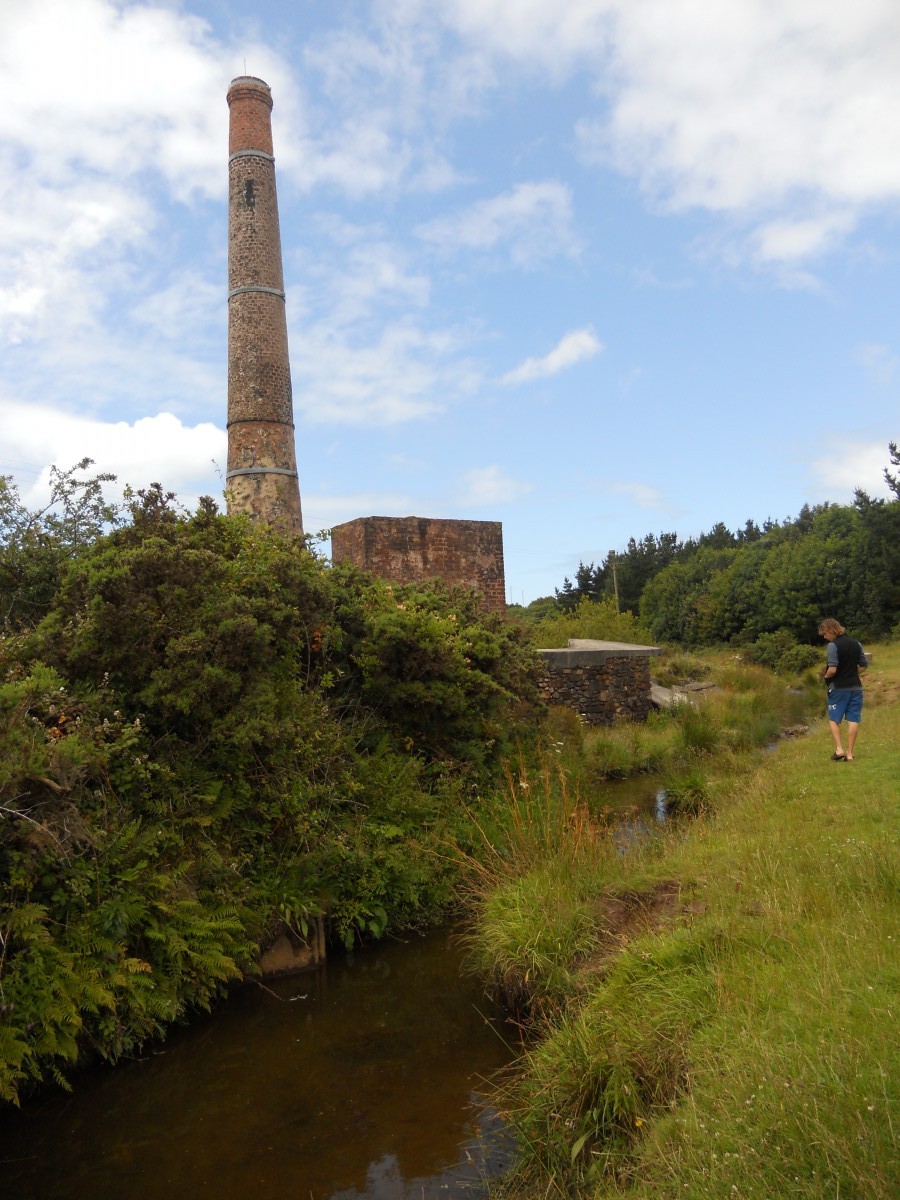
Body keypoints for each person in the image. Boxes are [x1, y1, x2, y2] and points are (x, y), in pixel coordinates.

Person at [817, 618, 868, 761]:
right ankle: (850, 754)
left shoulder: (833, 646)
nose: (824, 637)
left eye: (825, 633)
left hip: (838, 688)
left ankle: (839, 750)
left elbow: (832, 669)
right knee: (853, 720)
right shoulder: (856, 644)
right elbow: (864, 664)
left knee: (834, 719)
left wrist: (825, 678)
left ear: (831, 630)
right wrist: (852, 673)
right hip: (856, 687)